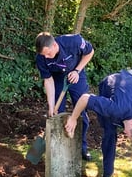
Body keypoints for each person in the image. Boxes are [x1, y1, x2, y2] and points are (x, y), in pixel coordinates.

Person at [64, 69, 132, 177]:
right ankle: (107, 174)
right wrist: (73, 118)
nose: (125, 134)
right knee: (109, 132)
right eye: (129, 135)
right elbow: (85, 98)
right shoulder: (114, 108)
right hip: (110, 84)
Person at [35, 32, 95, 161]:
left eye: (48, 53)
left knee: (81, 110)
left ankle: (82, 148)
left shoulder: (74, 41)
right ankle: (58, 148)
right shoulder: (41, 58)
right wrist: (51, 105)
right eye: (43, 55)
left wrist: (77, 70)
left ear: (55, 45)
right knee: (56, 114)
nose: (46, 57)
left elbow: (89, 52)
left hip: (75, 74)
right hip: (56, 79)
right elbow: (48, 80)